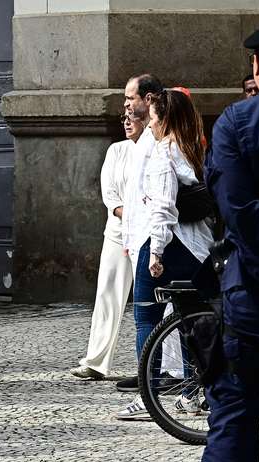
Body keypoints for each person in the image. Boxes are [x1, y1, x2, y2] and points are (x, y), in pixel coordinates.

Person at [199, 24, 259, 462]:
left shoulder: (237, 123)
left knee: (236, 415)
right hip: (251, 291)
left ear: (258, 66)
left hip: (252, 296)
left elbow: (240, 212)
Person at [116, 88, 214, 420]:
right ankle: (193, 392)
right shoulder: (191, 148)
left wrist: (155, 251)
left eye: (154, 118)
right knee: (188, 317)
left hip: (169, 244)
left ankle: (148, 395)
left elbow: (163, 208)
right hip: (196, 248)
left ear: (164, 119)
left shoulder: (164, 151)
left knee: (146, 317)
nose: (150, 124)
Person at [70, 111, 143, 380]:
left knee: (151, 297)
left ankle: (162, 366)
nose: (126, 121)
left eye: (132, 116)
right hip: (118, 229)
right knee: (107, 292)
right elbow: (109, 194)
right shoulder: (116, 150)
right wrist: (129, 214)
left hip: (146, 231)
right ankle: (96, 361)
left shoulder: (153, 148)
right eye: (124, 117)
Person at [112, 73, 165, 394]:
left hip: (151, 238)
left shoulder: (157, 139)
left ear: (148, 99)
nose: (126, 105)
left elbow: (158, 198)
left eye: (130, 98)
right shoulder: (142, 140)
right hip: (140, 238)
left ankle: (151, 385)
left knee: (147, 316)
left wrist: (150, 244)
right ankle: (151, 375)